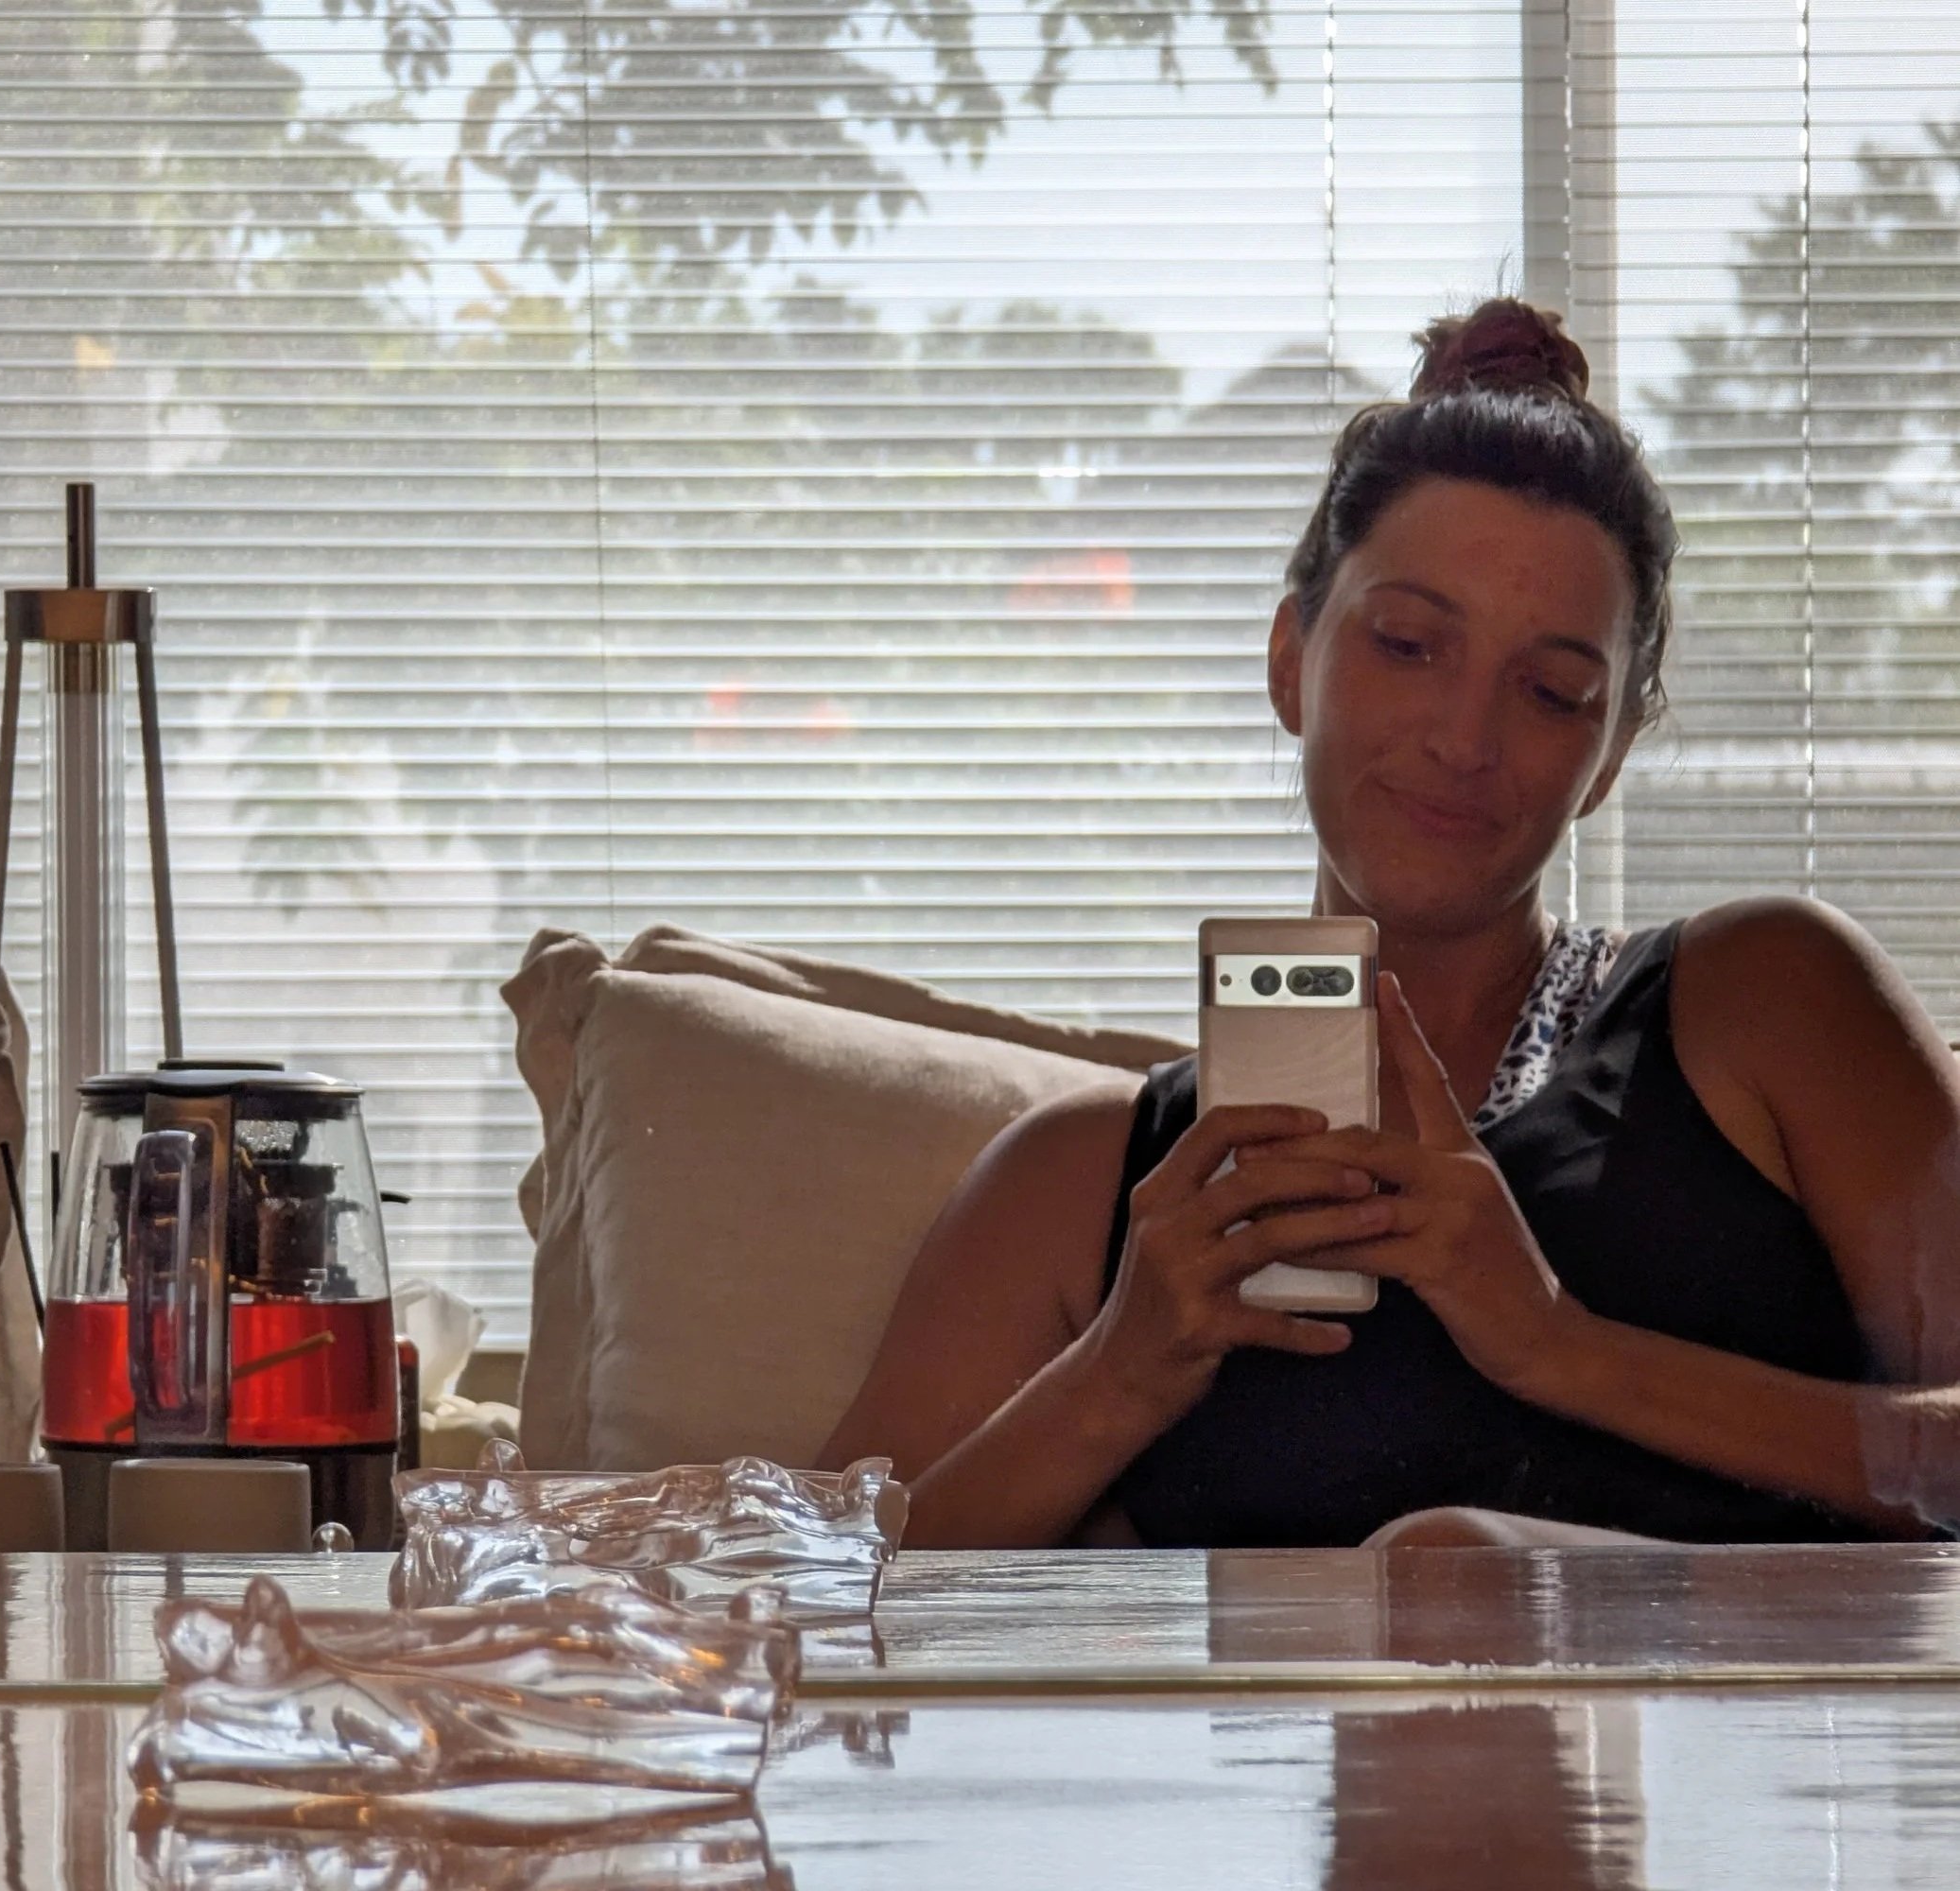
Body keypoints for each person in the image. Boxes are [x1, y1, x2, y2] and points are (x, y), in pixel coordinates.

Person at [819, 297, 1960, 1550]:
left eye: (1551, 690)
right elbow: (804, 1611)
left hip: (1757, 1737)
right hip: (1289, 1743)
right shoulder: (1083, 1183)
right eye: (1409, 643)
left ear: (1615, 749)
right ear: (1287, 657)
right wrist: (1116, 1379)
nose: (1465, 740)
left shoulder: (1764, 999)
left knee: (1450, 1567)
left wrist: (1557, 1346)